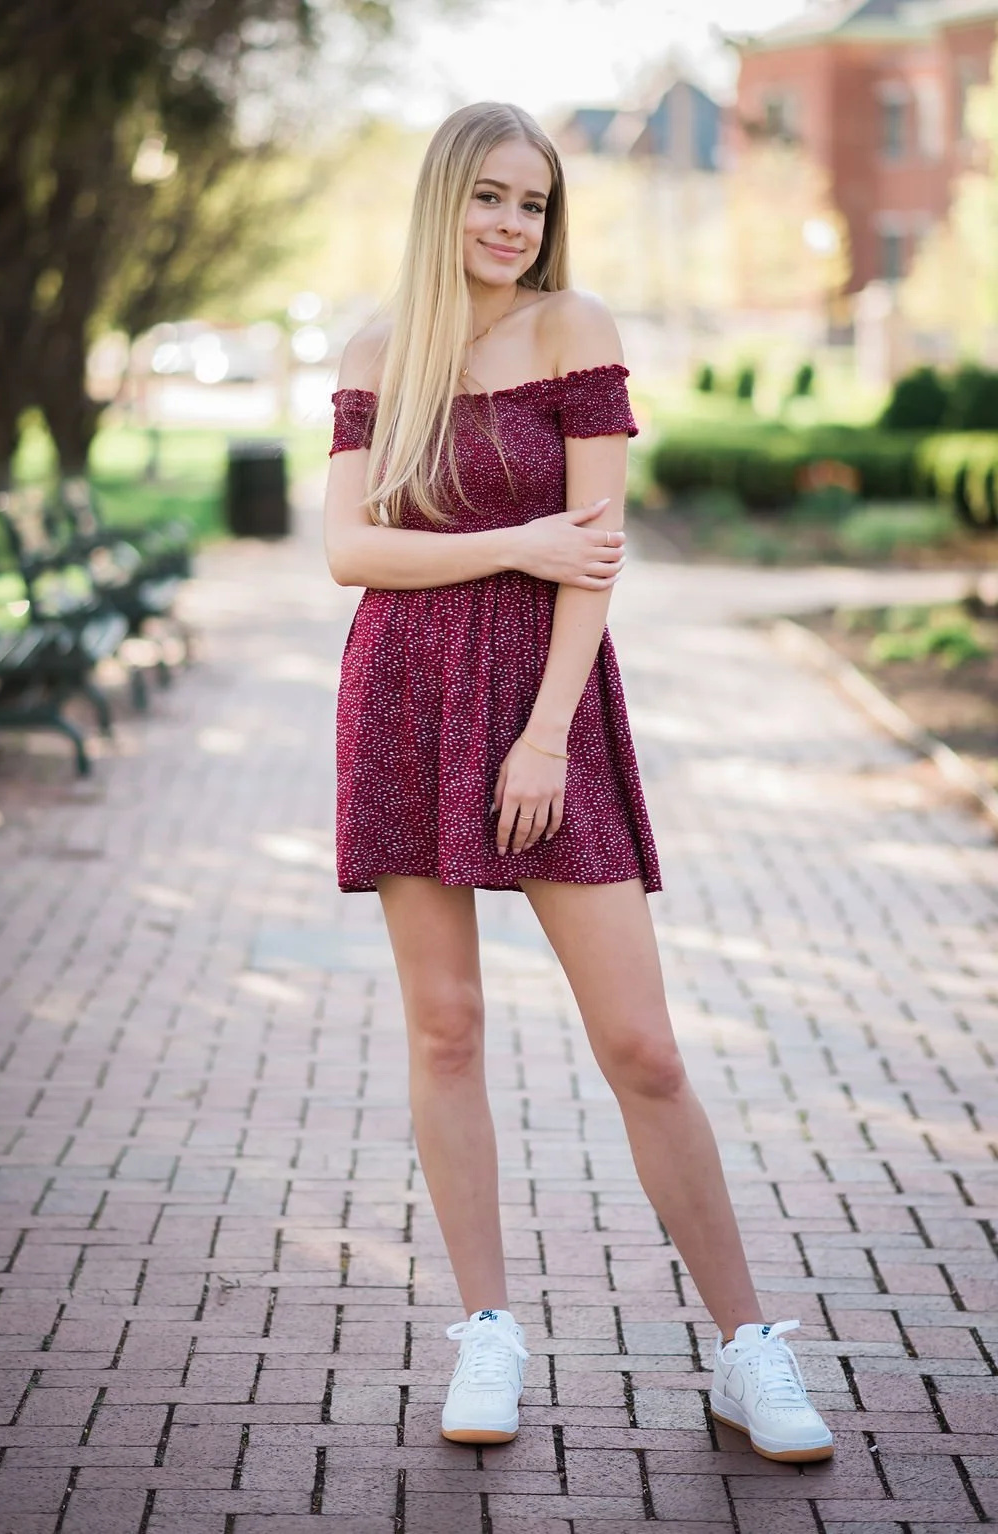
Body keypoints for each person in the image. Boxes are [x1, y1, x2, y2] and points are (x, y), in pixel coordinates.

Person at [322, 100, 833, 1464]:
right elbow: (347, 552)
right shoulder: (378, 353)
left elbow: (593, 560)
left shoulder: (575, 329)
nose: (511, 223)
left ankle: (746, 1346)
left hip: (547, 709)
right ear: (445, 202)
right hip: (407, 700)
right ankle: (486, 1326)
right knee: (444, 1025)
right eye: (489, 197)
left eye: (533, 202)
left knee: (643, 1044)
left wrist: (545, 732)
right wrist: (523, 536)